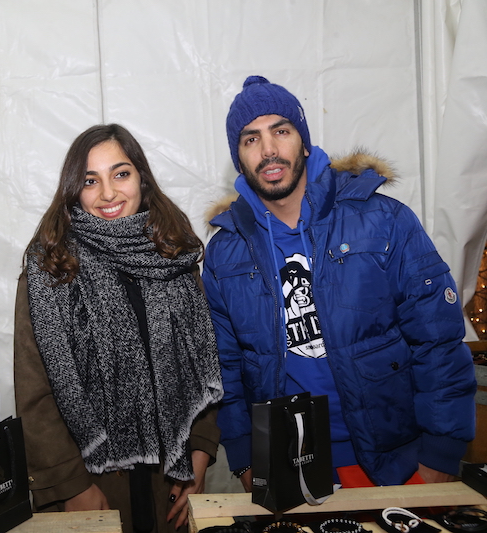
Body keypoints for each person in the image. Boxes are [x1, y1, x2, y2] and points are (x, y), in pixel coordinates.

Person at [203, 75, 476, 490]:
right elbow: (226, 368)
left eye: (281, 130)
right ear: (238, 158)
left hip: (392, 461)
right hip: (283, 466)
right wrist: (245, 460)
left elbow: (437, 341)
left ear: (304, 142)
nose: (269, 150)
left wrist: (440, 452)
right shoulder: (226, 252)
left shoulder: (383, 220)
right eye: (250, 139)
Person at [14, 124, 223, 532]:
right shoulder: (50, 270)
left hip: (171, 477)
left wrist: (199, 455)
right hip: (95, 481)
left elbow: (202, 365)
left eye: (120, 174)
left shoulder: (175, 259)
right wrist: (71, 486)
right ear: (74, 190)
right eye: (90, 181)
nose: (108, 194)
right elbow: (35, 392)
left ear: (142, 179)